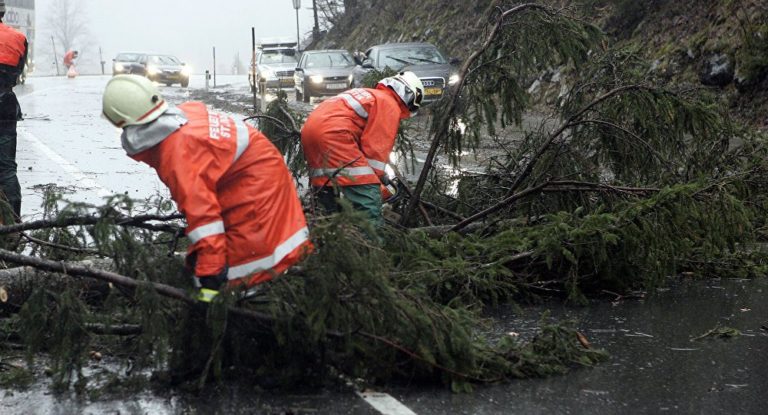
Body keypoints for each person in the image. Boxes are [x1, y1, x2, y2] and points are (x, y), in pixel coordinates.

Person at [102, 75, 312, 301]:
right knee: (239, 253)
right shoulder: (182, 119)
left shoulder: (178, 152)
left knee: (246, 265)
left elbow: (203, 216)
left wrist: (210, 278)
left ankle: (250, 303)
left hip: (255, 186)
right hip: (257, 173)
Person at [300, 71, 424, 225]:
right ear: (410, 97)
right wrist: (377, 189)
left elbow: (356, 133)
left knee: (327, 193)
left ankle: (329, 238)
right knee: (368, 203)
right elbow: (374, 154)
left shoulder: (369, 94)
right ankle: (371, 244)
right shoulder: (388, 103)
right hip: (335, 135)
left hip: (310, 130)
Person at [0, 0, 28, 220]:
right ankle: (13, 224)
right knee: (7, 168)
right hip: (6, 105)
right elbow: (18, 73)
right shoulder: (19, 38)